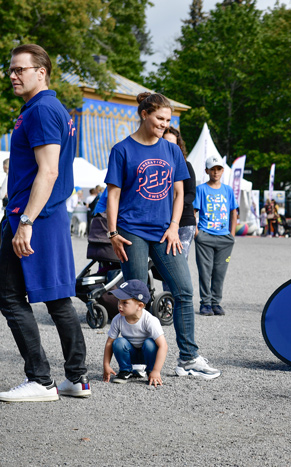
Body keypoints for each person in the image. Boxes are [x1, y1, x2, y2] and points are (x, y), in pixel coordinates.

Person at [105, 91, 220, 380]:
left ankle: (188, 358)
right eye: (159, 118)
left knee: (183, 289)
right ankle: (137, 361)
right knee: (136, 294)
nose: (164, 125)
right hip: (131, 231)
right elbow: (113, 195)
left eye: (168, 121)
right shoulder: (122, 149)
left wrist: (173, 227)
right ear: (144, 114)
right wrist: (112, 232)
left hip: (165, 232)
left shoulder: (171, 151)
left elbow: (180, 193)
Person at [0, 44, 90, 402]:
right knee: (56, 298)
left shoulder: (41, 109)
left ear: (42, 72)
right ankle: (77, 379)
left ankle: (41, 380)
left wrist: (25, 221)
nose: (12, 75)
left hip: (33, 216)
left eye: (20, 69)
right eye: (10, 70)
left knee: (8, 296)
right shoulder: (49, 108)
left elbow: (49, 171)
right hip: (43, 216)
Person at [193, 154, 238, 316]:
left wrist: (232, 234)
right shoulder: (201, 189)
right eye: (212, 169)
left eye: (218, 169)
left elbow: (234, 212)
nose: (216, 172)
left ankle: (215, 302)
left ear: (223, 171)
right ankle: (205, 303)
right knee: (205, 271)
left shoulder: (228, 190)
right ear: (207, 171)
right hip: (205, 237)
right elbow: (193, 212)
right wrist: (197, 233)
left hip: (224, 238)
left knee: (220, 271)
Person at [102, 279, 168, 387]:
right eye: (119, 301)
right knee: (118, 342)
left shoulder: (150, 320)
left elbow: (163, 346)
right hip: (130, 353)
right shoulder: (117, 319)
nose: (119, 305)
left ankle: (150, 371)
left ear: (140, 306)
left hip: (147, 354)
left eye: (125, 302)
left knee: (150, 343)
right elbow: (109, 343)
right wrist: (106, 365)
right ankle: (125, 370)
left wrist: (157, 370)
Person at [163, 127, 197, 259]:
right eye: (166, 142)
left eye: (173, 143)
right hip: (162, 221)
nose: (169, 146)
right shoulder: (158, 167)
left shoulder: (186, 166)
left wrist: (175, 205)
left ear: (179, 145)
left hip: (184, 221)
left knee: (178, 260)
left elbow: (191, 194)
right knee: (165, 261)